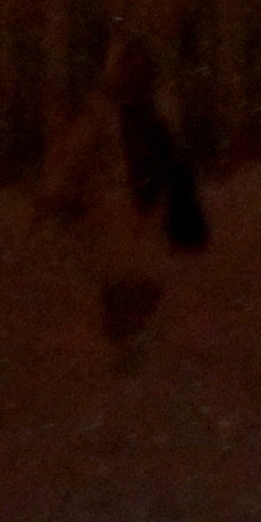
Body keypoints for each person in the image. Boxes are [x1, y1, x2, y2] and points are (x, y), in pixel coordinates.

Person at [39, 30, 204, 377]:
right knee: (118, 280)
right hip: (113, 207)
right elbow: (77, 156)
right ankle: (122, 346)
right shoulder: (101, 111)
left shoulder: (159, 110)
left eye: (141, 68)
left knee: (147, 279)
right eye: (128, 68)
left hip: (151, 207)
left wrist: (181, 206)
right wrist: (61, 193)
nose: (134, 75)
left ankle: (134, 340)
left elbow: (175, 159)